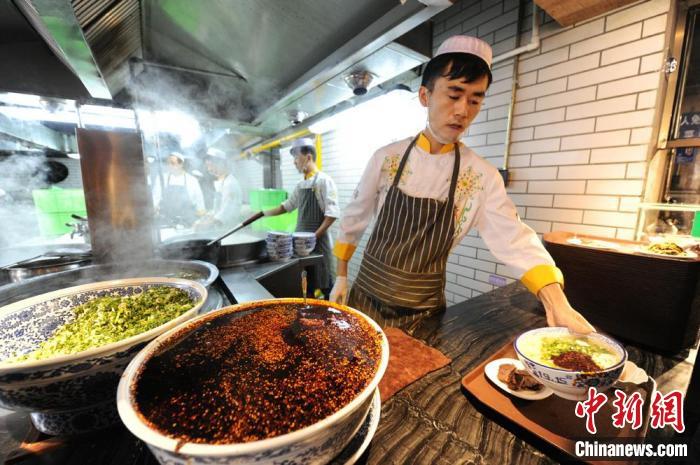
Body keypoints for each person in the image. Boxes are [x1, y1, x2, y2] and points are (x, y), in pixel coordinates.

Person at [328, 35, 594, 334]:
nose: (462, 110)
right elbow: (355, 215)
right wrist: (341, 276)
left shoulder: (480, 176)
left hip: (422, 313)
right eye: (454, 95)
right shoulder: (387, 158)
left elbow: (515, 239)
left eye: (475, 100)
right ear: (425, 96)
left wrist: (557, 304)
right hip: (366, 297)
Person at [253, 137, 340, 297]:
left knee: (326, 286)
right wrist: (262, 213)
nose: (294, 162)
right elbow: (286, 206)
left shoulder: (324, 181)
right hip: (301, 247)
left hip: (319, 245)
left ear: (308, 157)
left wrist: (313, 237)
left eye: (296, 157)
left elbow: (332, 214)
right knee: (307, 287)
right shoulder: (300, 185)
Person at [153, 152, 205, 227]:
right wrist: (154, 209)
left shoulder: (191, 180)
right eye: (168, 163)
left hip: (187, 220)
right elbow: (156, 196)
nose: (169, 166)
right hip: (167, 219)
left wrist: (201, 220)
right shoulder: (162, 178)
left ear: (181, 164)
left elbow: (199, 200)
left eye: (172, 163)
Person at [195, 148, 242, 230]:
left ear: (222, 163)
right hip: (221, 229)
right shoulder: (221, 183)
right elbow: (218, 208)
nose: (209, 169)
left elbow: (226, 212)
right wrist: (208, 216)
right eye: (207, 166)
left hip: (229, 230)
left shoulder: (230, 184)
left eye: (211, 165)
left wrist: (205, 224)